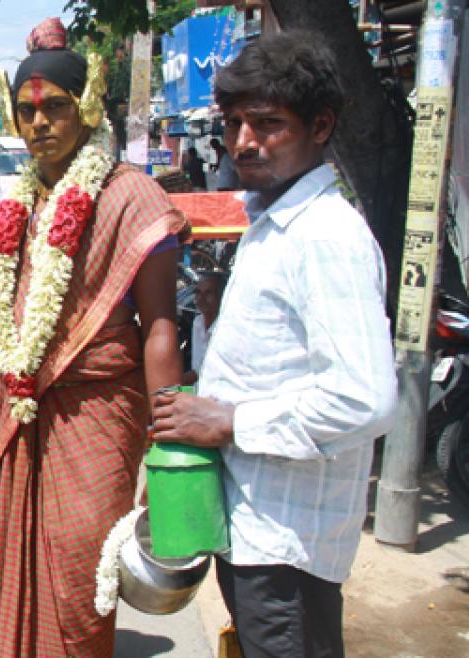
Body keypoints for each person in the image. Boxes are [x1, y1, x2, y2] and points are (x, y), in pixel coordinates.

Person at [151, 33, 397, 658]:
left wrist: (230, 421)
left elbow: (364, 399)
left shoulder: (325, 237)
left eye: (267, 124)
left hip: (287, 543)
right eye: (234, 123)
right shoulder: (273, 221)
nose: (243, 142)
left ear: (320, 126)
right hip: (256, 530)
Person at [0, 19, 185, 656]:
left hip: (99, 412)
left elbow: (161, 327)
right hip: (26, 411)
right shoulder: (21, 201)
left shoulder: (132, 198)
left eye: (55, 108)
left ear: (87, 108)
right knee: (18, 570)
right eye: (27, 111)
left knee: (78, 578)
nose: (39, 123)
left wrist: (167, 448)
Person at [182, 270, 225, 386]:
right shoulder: (198, 323)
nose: (201, 298)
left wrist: (171, 385)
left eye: (208, 293)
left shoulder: (225, 327)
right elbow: (196, 368)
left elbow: (203, 372)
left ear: (221, 296)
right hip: (196, 392)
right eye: (198, 292)